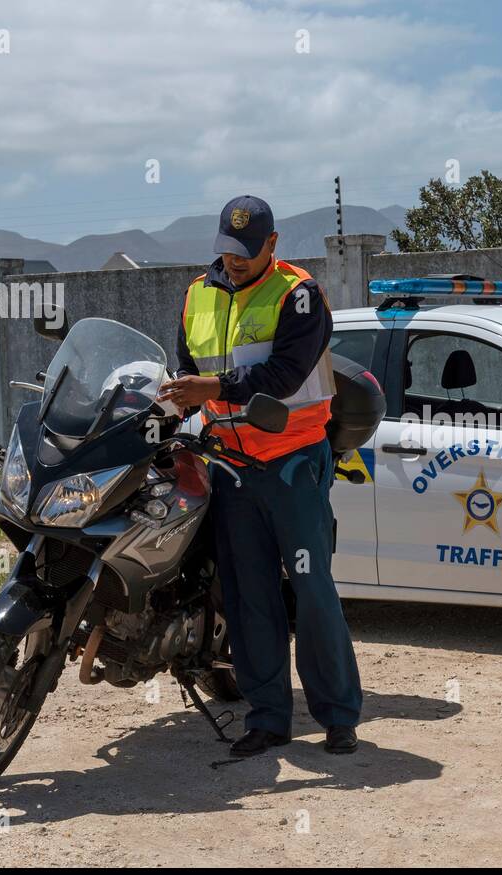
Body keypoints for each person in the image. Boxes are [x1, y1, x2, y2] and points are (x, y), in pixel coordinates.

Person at [157, 195, 362, 757]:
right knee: (249, 597)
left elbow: (287, 373)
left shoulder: (298, 295)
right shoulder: (197, 294)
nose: (236, 261)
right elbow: (186, 371)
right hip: (229, 467)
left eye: (247, 252)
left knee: (311, 588)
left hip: (293, 460)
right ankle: (268, 717)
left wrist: (215, 389)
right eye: (227, 250)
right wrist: (173, 404)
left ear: (273, 245)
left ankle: (338, 714)